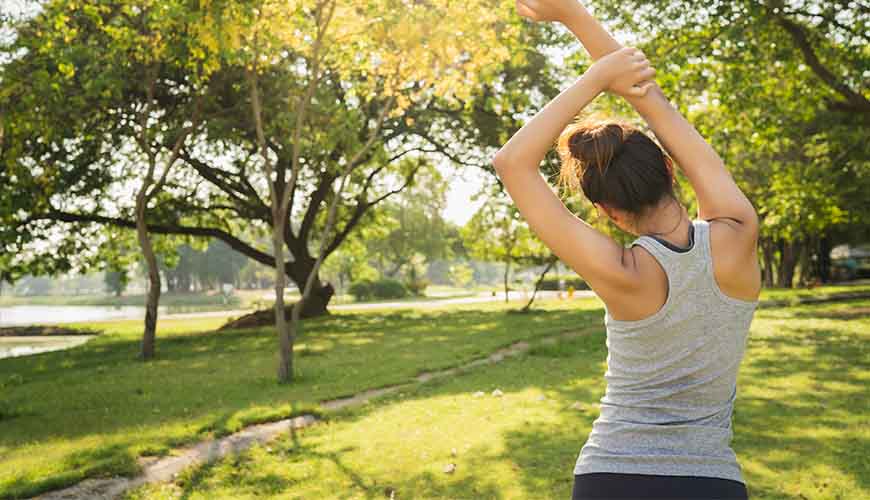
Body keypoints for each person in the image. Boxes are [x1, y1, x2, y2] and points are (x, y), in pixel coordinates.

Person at [492, 1, 761, 499]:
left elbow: (512, 164)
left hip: (610, 476)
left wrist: (595, 75)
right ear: (671, 169)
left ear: (608, 213)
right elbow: (651, 101)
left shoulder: (621, 271)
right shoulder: (739, 233)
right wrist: (574, 14)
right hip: (711, 482)